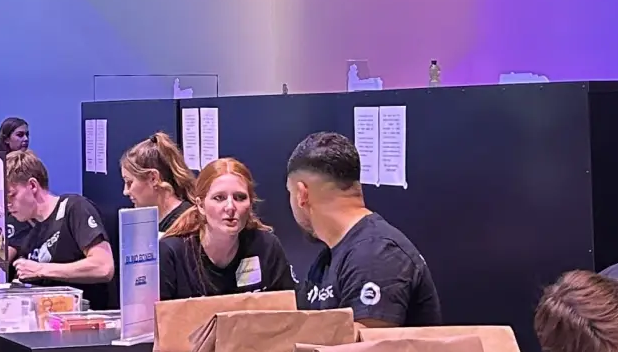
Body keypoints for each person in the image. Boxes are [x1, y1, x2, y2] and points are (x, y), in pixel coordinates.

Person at [285, 131, 441, 327]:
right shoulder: (329, 258)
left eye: (289, 192)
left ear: (302, 194)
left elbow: (365, 343)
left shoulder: (375, 255)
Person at [159, 158, 295, 298]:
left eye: (240, 197)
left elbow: (287, 306)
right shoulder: (172, 254)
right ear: (201, 206)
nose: (230, 207)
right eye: (219, 198)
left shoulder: (266, 247)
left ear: (250, 204)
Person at [3, 151, 114, 308]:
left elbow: (103, 267)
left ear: (33, 186)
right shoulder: (30, 234)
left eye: (12, 195)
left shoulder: (74, 208)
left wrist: (41, 269)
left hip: (87, 315)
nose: (8, 204)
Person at [121, 132, 197, 233]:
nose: (125, 191)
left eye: (129, 182)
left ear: (153, 178)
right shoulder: (152, 221)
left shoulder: (186, 225)